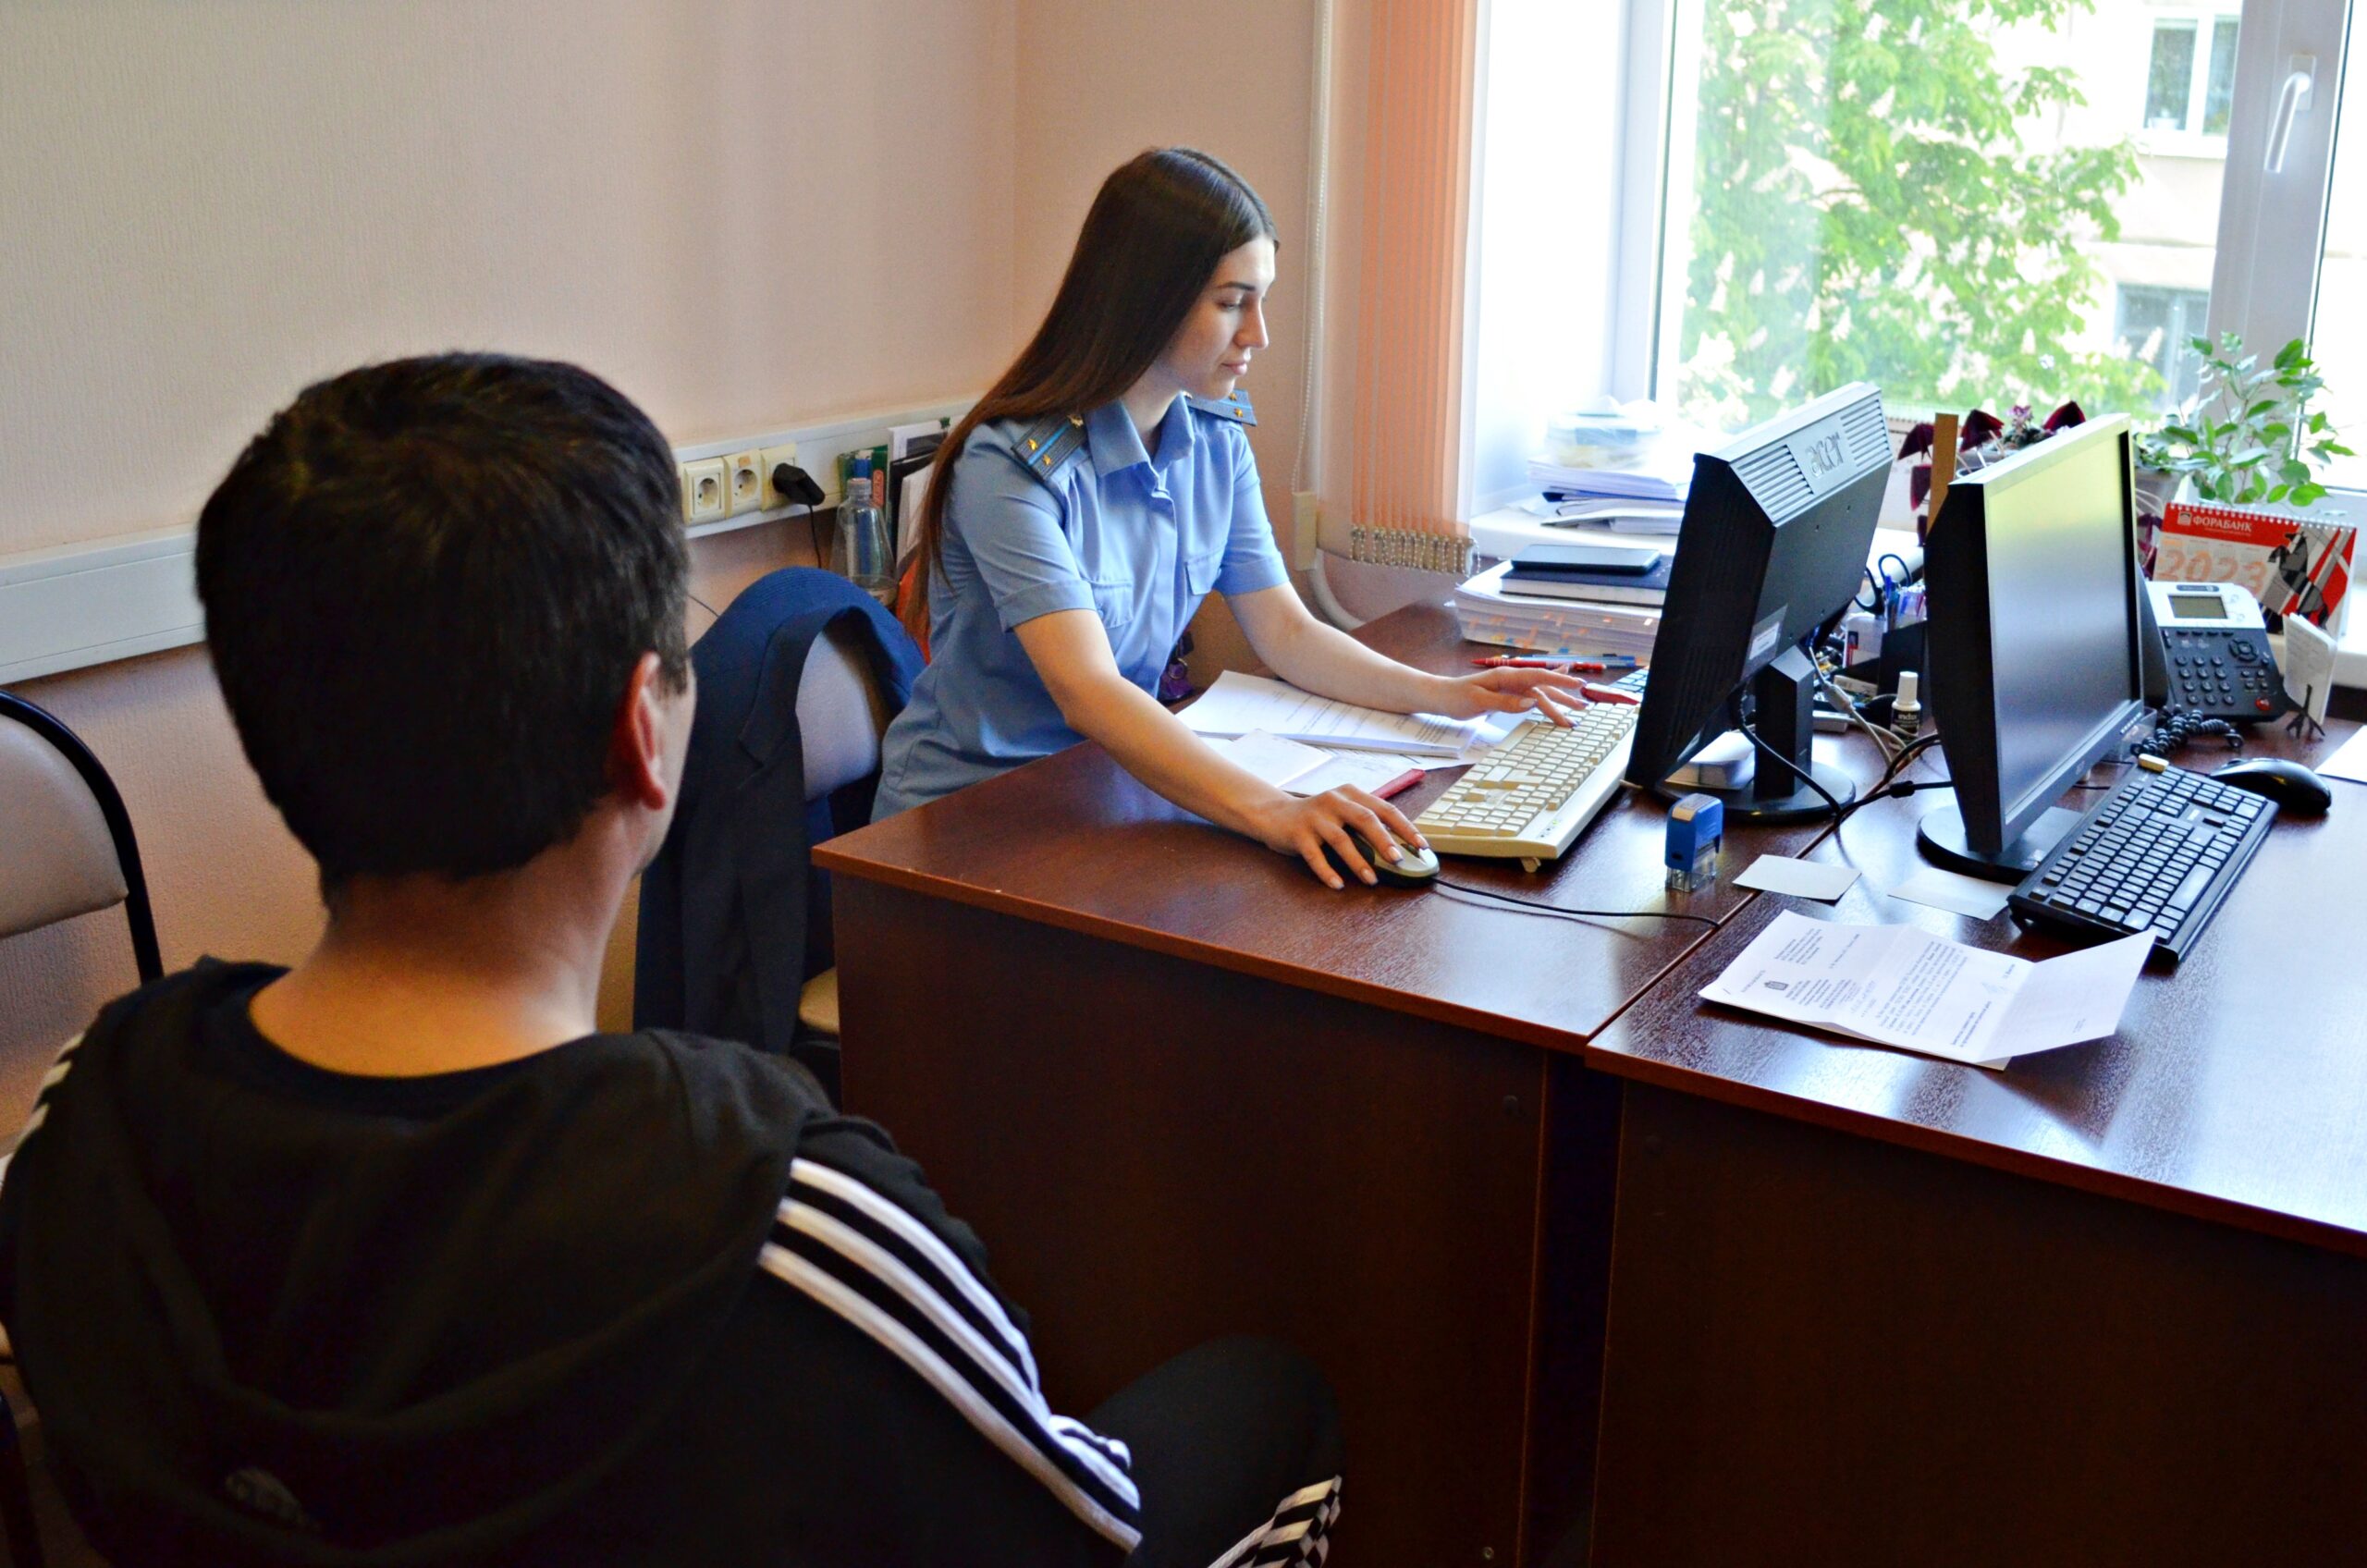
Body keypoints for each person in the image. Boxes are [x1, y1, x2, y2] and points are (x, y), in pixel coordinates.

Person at [0, 354, 1342, 1567]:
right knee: (1271, 1399)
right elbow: (1084, 1524)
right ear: (642, 737)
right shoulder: (788, 1219)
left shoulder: (84, 1121)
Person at [877, 148, 1587, 888]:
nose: (1258, 334)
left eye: (1261, 299)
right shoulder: (1010, 465)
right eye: (1230, 302)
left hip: (1103, 790)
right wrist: (1275, 811)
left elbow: (1285, 632)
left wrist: (1447, 698)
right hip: (968, 822)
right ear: (1143, 299)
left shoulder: (1214, 442)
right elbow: (1088, 690)